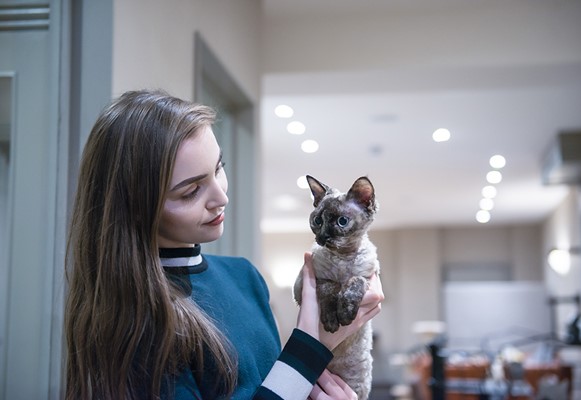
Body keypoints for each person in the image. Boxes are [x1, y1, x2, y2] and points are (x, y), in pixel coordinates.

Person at [64, 89, 384, 400]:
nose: (221, 197)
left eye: (219, 168)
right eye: (191, 191)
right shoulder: (139, 322)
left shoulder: (246, 277)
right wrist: (312, 344)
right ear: (134, 205)